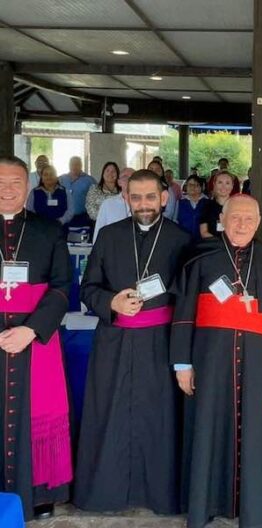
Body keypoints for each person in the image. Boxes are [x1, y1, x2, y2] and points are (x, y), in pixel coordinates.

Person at [170, 194, 262, 528]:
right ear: (222, 219)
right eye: (235, 217)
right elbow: (183, 314)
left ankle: (259, 507)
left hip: (260, 361)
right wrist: (182, 363)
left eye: (249, 219)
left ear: (258, 222)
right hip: (210, 359)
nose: (242, 225)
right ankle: (207, 502)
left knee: (258, 430)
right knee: (209, 426)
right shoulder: (199, 257)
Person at [75, 170, 191, 514]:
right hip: (115, 340)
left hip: (160, 342)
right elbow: (88, 289)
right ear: (125, 198)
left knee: (160, 420)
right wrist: (112, 302)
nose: (143, 205)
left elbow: (187, 301)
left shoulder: (181, 239)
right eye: (136, 197)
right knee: (109, 415)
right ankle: (105, 493)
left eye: (150, 197)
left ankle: (160, 495)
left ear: (164, 198)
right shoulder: (109, 236)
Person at [0, 156, 72, 521]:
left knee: (36, 415)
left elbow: (62, 287)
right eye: (0, 181)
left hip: (34, 338)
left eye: (14, 181)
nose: (7, 189)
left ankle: (39, 494)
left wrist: (30, 330)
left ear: (26, 186)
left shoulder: (48, 230)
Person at [93, 167, 134, 242]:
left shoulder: (144, 204)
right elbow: (98, 232)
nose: (129, 180)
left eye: (133, 177)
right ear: (119, 182)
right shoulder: (108, 204)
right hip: (113, 250)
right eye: (125, 177)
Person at [59, 156, 95, 228]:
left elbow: (95, 197)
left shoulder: (89, 180)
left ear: (81, 165)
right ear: (69, 165)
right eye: (72, 164)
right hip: (64, 217)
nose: (74, 166)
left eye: (77, 164)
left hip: (82, 218)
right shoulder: (61, 179)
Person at [200, 170, 236, 238]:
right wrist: (220, 244)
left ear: (232, 186)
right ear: (214, 184)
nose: (223, 186)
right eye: (220, 182)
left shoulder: (238, 207)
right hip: (213, 246)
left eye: (227, 183)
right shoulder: (207, 206)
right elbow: (204, 232)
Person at [176, 175, 208, 242]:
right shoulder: (180, 202)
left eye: (196, 185)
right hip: (183, 242)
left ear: (201, 187)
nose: (193, 187)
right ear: (186, 187)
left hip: (203, 242)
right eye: (190, 185)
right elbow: (175, 222)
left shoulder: (207, 202)